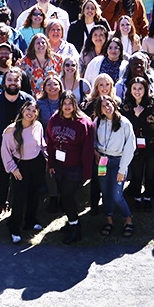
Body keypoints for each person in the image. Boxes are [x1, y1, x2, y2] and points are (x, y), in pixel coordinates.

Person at [46, 92, 95, 243]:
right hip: (59, 165)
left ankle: (75, 228)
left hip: (75, 168)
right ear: (60, 105)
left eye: (70, 103)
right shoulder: (54, 119)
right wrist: (51, 163)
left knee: (67, 197)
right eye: (64, 103)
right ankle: (72, 222)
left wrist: (87, 172)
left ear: (75, 104)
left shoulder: (84, 123)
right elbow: (50, 143)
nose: (67, 107)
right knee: (63, 196)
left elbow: (88, 150)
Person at [0, 67, 34, 213]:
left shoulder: (28, 101)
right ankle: (2, 203)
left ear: (21, 82)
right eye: (9, 80)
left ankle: (20, 205)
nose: (13, 83)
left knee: (22, 178)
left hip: (23, 147)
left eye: (16, 80)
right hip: (0, 147)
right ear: (4, 82)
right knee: (1, 177)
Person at [0, 99, 45, 243]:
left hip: (37, 164)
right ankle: (14, 227)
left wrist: (48, 158)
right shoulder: (11, 130)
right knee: (19, 198)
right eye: (28, 109)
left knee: (34, 194)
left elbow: (41, 144)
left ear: (37, 114)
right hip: (20, 165)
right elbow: (5, 152)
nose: (30, 113)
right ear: (23, 110)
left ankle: (30, 220)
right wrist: (13, 169)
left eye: (34, 111)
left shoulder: (38, 126)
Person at [121, 76, 154, 211]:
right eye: (134, 88)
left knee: (150, 174)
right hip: (134, 146)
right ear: (130, 90)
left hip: (153, 145)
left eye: (140, 88)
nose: (137, 91)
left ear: (145, 89)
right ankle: (137, 197)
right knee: (137, 174)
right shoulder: (126, 106)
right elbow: (126, 128)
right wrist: (136, 116)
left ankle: (147, 197)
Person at [92, 95, 136, 237]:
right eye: (103, 106)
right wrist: (95, 152)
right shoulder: (98, 121)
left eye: (109, 104)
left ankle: (128, 220)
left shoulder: (124, 123)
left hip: (118, 161)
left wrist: (122, 170)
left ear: (114, 104)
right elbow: (92, 140)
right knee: (105, 192)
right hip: (102, 162)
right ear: (100, 110)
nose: (107, 107)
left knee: (116, 195)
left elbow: (130, 147)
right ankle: (109, 220)